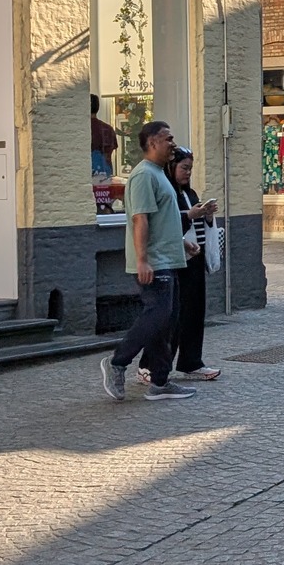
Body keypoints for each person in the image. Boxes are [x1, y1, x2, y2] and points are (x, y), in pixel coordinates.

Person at [100, 120, 196, 402]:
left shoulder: (158, 174)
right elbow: (140, 218)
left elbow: (159, 220)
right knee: (156, 316)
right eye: (168, 138)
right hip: (154, 261)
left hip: (168, 257)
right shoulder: (143, 176)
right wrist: (142, 260)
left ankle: (160, 381)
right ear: (152, 142)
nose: (173, 144)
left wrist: (181, 243)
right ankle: (117, 363)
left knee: (167, 321)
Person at [164, 147, 220, 382]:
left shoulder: (191, 194)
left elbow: (199, 226)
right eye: (183, 168)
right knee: (174, 315)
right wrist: (189, 216)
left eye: (190, 169)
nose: (188, 173)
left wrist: (207, 215)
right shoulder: (168, 194)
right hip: (176, 261)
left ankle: (191, 361)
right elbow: (163, 224)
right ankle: (157, 365)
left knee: (195, 313)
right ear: (171, 168)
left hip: (194, 259)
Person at [90, 95, 118, 180]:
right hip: (106, 175)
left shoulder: (82, 130)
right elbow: (111, 151)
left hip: (87, 177)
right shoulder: (108, 129)